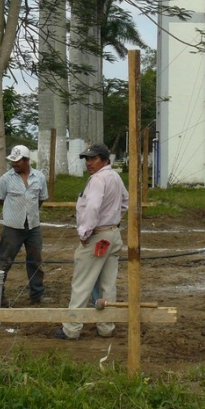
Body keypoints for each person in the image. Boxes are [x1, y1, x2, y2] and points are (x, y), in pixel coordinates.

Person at [55, 143, 129, 340]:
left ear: (104, 160)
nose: (89, 162)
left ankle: (71, 328)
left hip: (97, 236)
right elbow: (124, 202)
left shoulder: (98, 179)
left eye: (93, 158)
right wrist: (112, 219)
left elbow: (92, 208)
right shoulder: (114, 177)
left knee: (82, 283)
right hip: (113, 234)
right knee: (108, 284)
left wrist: (85, 232)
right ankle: (106, 326)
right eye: (87, 159)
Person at [0, 145, 49, 305]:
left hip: (33, 227)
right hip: (12, 227)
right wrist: (15, 212)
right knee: (4, 261)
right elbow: (0, 200)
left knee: (35, 261)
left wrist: (29, 212)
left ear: (27, 160)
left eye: (18, 161)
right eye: (13, 161)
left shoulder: (39, 177)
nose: (15, 164)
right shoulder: (5, 179)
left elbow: (41, 198)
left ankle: (37, 294)